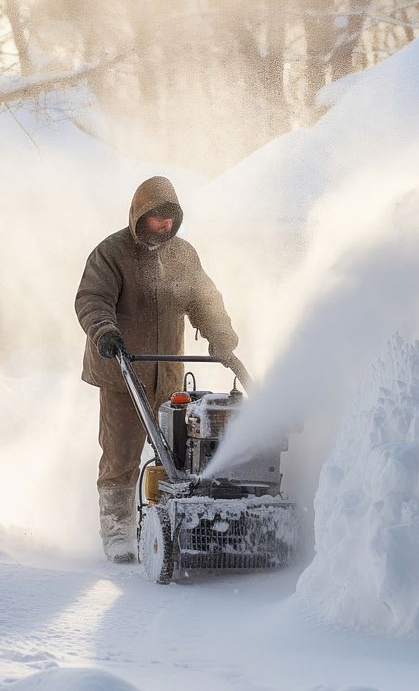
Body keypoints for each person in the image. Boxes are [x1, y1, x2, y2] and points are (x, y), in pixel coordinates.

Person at [75, 175, 239, 563]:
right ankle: (117, 531)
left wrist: (221, 334)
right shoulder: (111, 253)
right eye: (156, 219)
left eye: (170, 220)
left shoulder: (183, 255)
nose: (164, 227)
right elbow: (92, 299)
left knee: (182, 455)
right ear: (139, 215)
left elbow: (204, 298)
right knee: (121, 455)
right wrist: (105, 331)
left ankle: (174, 521)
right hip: (121, 372)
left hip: (167, 375)